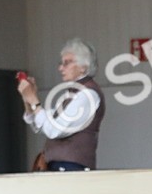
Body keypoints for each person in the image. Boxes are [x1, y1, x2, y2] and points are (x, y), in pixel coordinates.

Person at [17, 38, 106, 172]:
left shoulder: (87, 95)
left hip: (72, 168)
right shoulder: (72, 93)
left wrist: (34, 100)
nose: (60, 68)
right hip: (62, 167)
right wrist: (28, 100)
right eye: (61, 63)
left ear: (83, 67)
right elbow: (42, 124)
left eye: (66, 63)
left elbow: (54, 130)